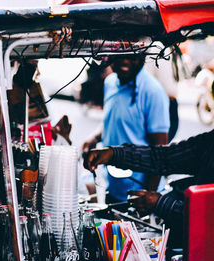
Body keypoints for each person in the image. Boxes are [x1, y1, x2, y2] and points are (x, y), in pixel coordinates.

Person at [82, 129, 214, 246]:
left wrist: (160, 203)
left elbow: (206, 218)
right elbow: (164, 157)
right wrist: (114, 154)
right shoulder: (209, 143)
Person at [82, 54, 170, 203]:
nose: (124, 61)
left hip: (139, 194)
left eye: (132, 56)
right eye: (119, 55)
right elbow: (112, 119)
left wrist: (148, 196)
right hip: (113, 186)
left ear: (143, 57)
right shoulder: (110, 82)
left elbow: (159, 151)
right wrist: (95, 137)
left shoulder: (153, 91)